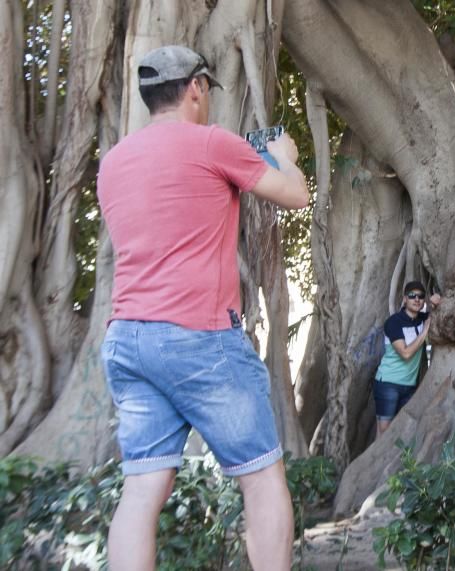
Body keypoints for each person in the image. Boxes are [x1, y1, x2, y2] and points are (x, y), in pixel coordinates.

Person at [96, 45, 309, 571]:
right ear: (196, 88)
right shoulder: (214, 143)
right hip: (200, 339)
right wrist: (286, 156)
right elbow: (295, 196)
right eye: (208, 89)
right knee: (260, 477)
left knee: (143, 488)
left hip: (128, 339)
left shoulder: (113, 163)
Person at [374, 281, 442, 435]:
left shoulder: (423, 318)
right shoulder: (393, 323)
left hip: (410, 386)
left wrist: (438, 301)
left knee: (404, 430)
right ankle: (380, 459)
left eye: (420, 296)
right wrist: (424, 332)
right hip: (388, 384)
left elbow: (441, 313)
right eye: (412, 296)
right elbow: (405, 353)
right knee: (385, 432)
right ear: (405, 299)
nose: (416, 299)